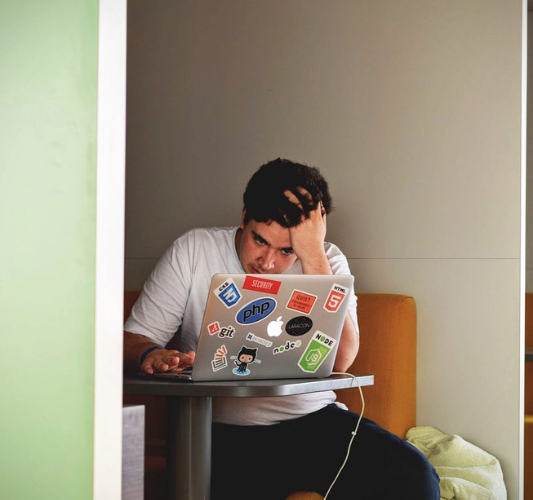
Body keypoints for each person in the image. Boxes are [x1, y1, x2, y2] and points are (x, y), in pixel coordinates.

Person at [122, 158, 439, 499]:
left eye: (287, 250)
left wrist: (313, 255)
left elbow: (342, 360)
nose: (268, 262)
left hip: (314, 420)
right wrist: (152, 354)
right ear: (244, 217)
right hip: (221, 430)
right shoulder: (194, 249)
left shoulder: (326, 260)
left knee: (414, 476)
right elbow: (132, 340)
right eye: (260, 241)